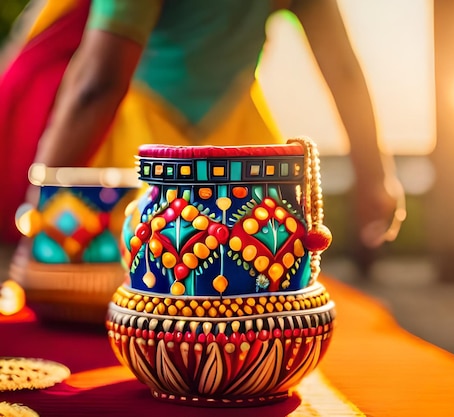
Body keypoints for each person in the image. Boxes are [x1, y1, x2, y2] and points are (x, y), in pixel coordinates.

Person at [0, 0, 405, 265]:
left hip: (142, 164)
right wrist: (375, 177)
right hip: (240, 164)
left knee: (133, 304)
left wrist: (38, 213)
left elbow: (97, 85)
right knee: (243, 297)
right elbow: (343, 70)